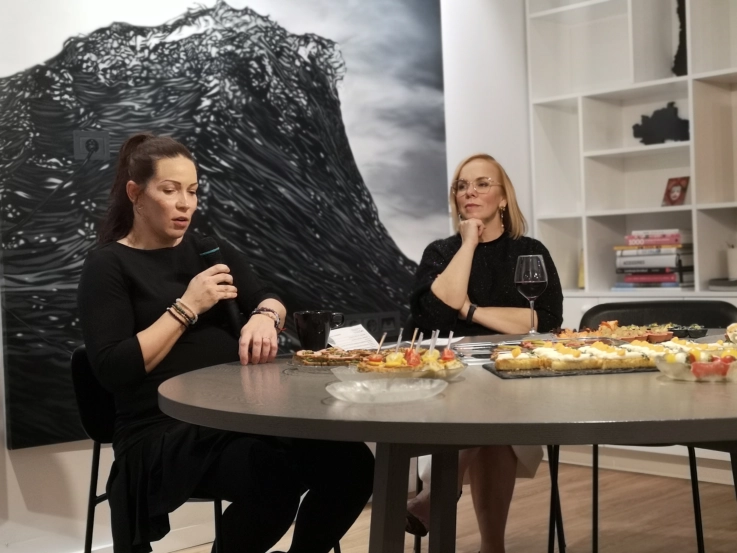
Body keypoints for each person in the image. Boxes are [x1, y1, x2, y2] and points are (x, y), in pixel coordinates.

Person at [77, 133, 374, 553]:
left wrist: (265, 317)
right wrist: (187, 307)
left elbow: (269, 296)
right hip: (162, 431)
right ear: (135, 194)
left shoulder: (209, 251)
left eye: (193, 190)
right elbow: (113, 368)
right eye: (170, 190)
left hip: (241, 417)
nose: (186, 203)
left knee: (354, 465)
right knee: (273, 479)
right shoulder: (107, 264)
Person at [405, 153, 563, 553]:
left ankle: (435, 499)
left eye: (481, 184)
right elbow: (434, 313)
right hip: (450, 376)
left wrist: (471, 311)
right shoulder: (441, 251)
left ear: (503, 197)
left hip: (516, 375)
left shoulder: (529, 251)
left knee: (495, 411)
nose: (469, 192)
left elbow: (543, 320)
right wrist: (469, 242)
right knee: (491, 419)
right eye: (462, 186)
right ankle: (492, 547)